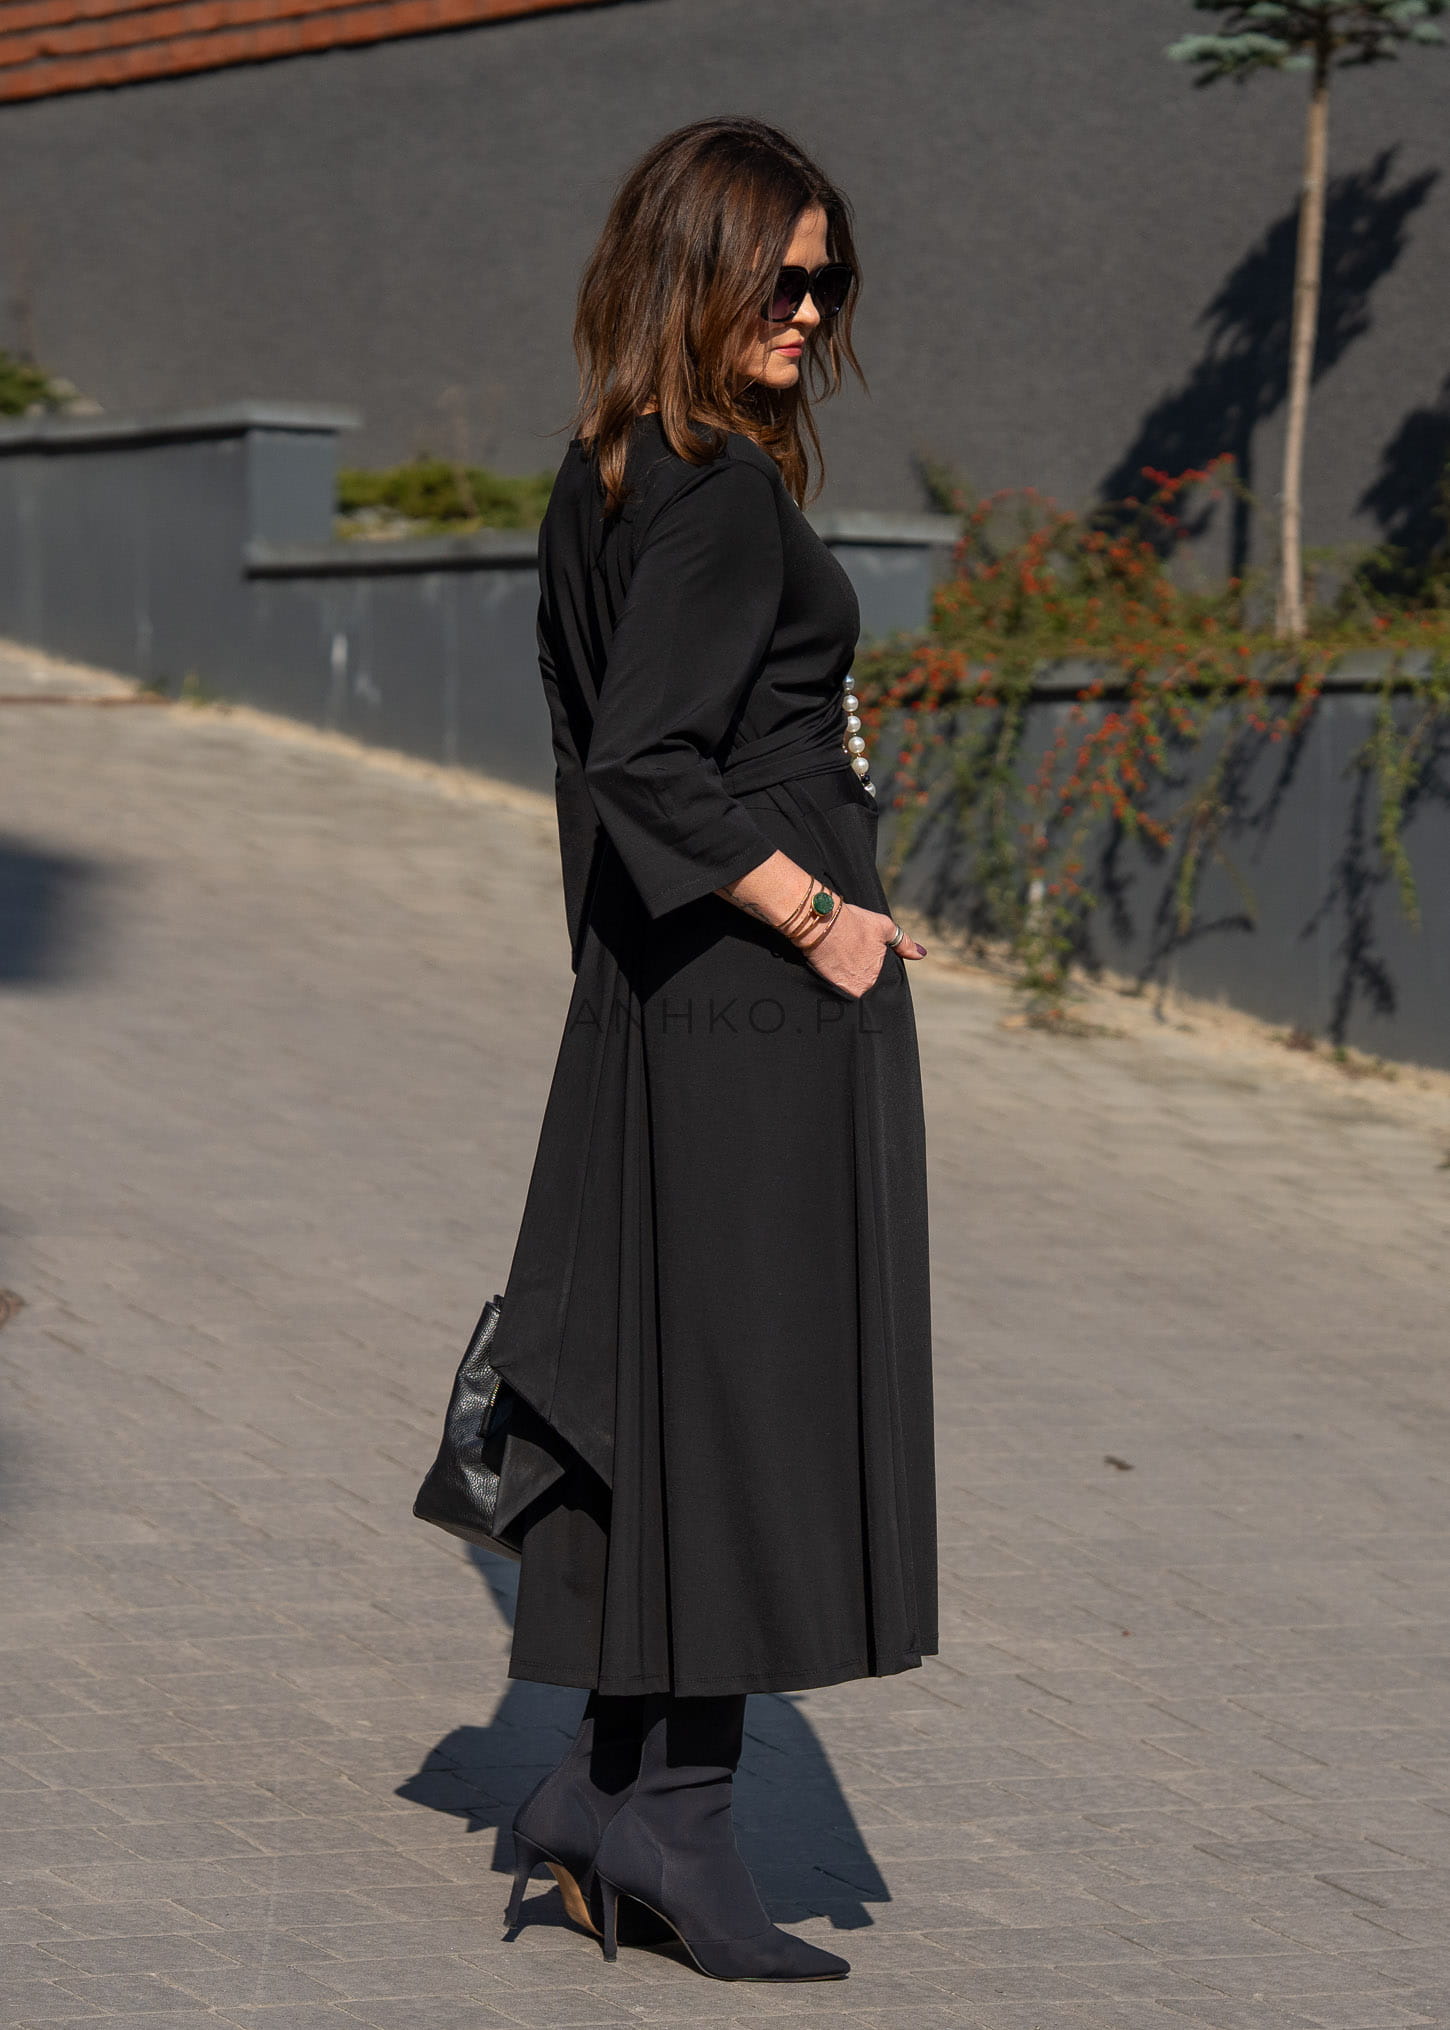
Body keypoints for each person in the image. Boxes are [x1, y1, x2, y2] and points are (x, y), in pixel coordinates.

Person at [485, 115, 937, 1983]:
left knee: (674, 1397)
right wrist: (823, 916)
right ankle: (674, 1819)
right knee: (751, 1402)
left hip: (663, 997)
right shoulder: (721, 491)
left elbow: (583, 762)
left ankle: (604, 1788)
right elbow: (644, 761)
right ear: (691, 270)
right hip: (753, 1013)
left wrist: (621, 981)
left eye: (827, 280)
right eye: (779, 275)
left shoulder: (599, 476)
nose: (809, 311)